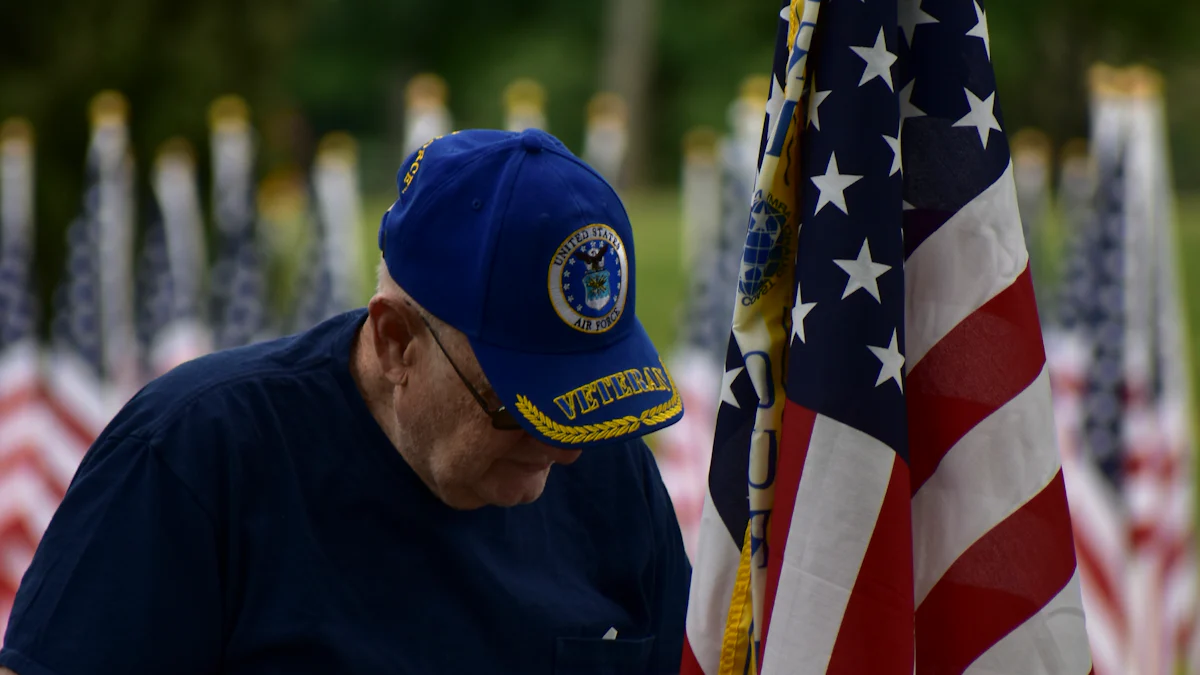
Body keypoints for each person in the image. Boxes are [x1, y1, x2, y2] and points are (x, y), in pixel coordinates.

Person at [0, 128, 691, 674]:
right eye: (517, 404)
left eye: (581, 403)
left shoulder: (612, 471)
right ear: (394, 341)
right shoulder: (195, 456)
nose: (565, 446)